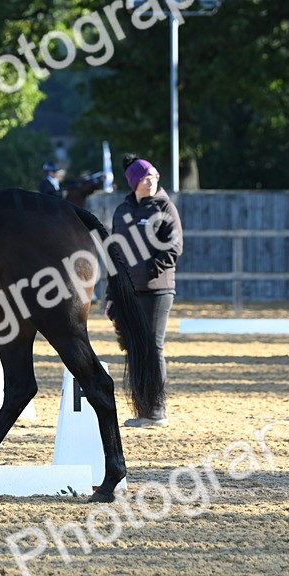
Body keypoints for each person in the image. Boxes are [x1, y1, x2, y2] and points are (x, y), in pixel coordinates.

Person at [107, 153, 183, 427]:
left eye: (153, 176)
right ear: (134, 182)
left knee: (152, 347)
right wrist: (111, 294)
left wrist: (147, 272)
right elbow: (113, 254)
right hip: (127, 291)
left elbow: (174, 248)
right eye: (145, 177)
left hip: (156, 290)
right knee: (133, 349)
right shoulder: (122, 211)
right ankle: (142, 408)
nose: (151, 181)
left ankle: (156, 410)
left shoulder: (165, 207)